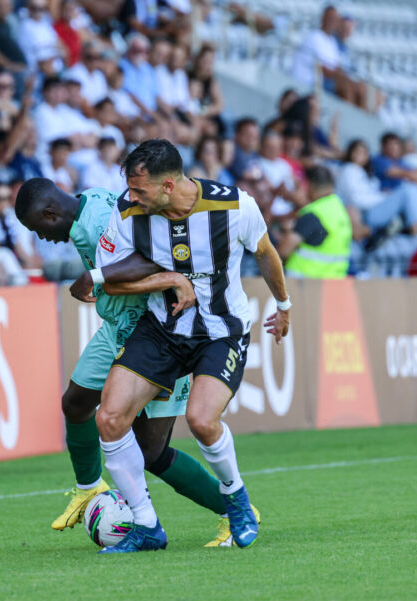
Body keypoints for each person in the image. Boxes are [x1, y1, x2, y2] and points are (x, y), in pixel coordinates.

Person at [71, 139, 288, 552]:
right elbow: (109, 276)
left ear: (168, 185)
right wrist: (170, 280)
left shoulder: (235, 206)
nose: (131, 198)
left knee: (202, 420)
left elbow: (265, 252)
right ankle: (146, 526)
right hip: (162, 330)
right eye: (129, 190)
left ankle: (236, 499)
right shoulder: (127, 212)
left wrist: (284, 305)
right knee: (110, 417)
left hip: (221, 331)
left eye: (140, 191)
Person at [14, 176, 242, 546]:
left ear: (50, 213)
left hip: (158, 331)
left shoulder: (99, 220)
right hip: (117, 327)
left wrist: (95, 276)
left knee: (151, 451)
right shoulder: (85, 202)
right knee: (75, 403)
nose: (41, 238)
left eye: (38, 229)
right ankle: (89, 488)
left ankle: (234, 511)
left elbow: (150, 262)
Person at [337, 139, 417, 235]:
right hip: (365, 213)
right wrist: (384, 197)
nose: (361, 155)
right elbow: (357, 199)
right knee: (408, 190)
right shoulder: (349, 170)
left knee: (411, 188)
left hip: (373, 208)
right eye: (357, 151)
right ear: (351, 152)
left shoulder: (362, 172)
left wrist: (384, 195)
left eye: (364, 152)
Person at [279, 165, 352, 278]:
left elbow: (283, 251)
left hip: (305, 283)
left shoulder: (314, 213)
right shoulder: (339, 208)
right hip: (333, 283)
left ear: (310, 186)